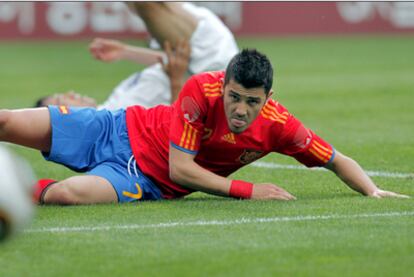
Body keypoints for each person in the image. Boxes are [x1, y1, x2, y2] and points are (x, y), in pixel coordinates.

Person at [0, 49, 408, 205]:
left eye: (252, 102)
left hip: (146, 180)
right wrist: (250, 190)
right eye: (234, 97)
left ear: (268, 99)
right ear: (224, 85)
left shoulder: (281, 128)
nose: (241, 110)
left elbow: (335, 159)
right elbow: (184, 167)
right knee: (5, 121)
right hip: (116, 128)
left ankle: (12, 196)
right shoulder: (201, 88)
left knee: (69, 195)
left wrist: (371, 190)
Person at [36, 2, 239, 109]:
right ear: (65, 118)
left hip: (196, 53)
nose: (71, 93)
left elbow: (168, 65)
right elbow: (175, 126)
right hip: (208, 61)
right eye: (62, 101)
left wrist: (125, 51)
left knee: (137, 4)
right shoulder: (116, 116)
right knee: (142, 3)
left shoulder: (112, 101)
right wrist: (176, 82)